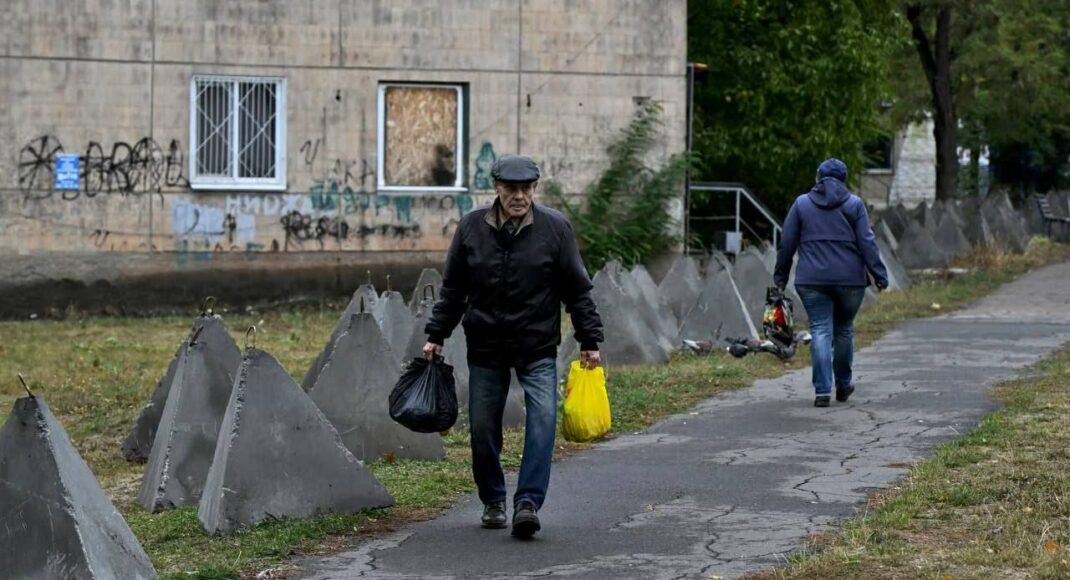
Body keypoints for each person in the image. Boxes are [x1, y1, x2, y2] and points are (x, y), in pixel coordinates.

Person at [422, 154, 604, 538]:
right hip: (486, 345)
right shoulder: (471, 228)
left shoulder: (555, 229)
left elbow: (577, 289)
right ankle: (492, 499)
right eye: (511, 188)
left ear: (535, 189)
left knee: (542, 421)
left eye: (526, 188)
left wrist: (590, 339)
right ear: (497, 189)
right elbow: (454, 289)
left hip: (536, 345)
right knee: (483, 428)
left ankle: (527, 503)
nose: (518, 196)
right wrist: (436, 334)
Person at [774, 158, 889, 408]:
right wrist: (879, 274)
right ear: (843, 179)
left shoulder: (802, 204)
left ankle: (823, 391)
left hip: (811, 280)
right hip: (850, 281)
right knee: (844, 328)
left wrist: (780, 277)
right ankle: (844, 384)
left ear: (818, 178)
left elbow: (787, 243)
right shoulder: (855, 204)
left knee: (820, 329)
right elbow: (867, 242)